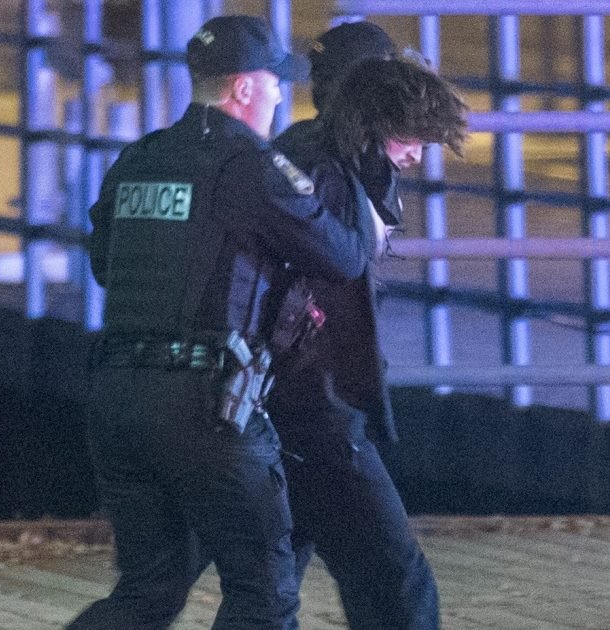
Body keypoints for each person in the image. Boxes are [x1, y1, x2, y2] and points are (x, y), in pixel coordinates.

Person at [67, 15, 382, 630]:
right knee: (264, 590)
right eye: (273, 84)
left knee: (148, 591)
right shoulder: (251, 168)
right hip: (204, 408)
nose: (280, 97)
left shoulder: (140, 158)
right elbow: (343, 255)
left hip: (116, 403)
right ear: (243, 89)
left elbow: (107, 265)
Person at [268, 36, 470, 629]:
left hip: (287, 401)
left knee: (268, 586)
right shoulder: (327, 171)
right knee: (395, 581)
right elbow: (330, 273)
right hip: (314, 405)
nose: (416, 154)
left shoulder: (305, 155)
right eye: (410, 138)